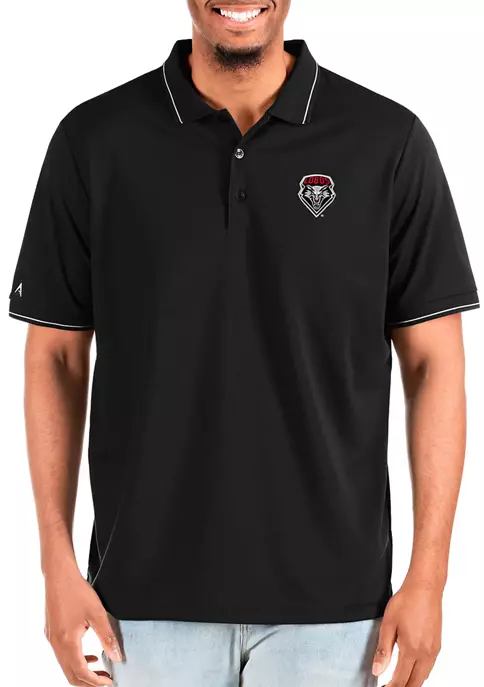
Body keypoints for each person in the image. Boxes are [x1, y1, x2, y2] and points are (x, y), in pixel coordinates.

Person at [8, 1, 480, 686]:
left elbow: (436, 361)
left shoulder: (386, 141)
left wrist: (430, 576)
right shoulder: (94, 140)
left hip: (337, 609)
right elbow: (54, 355)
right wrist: (55, 562)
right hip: (140, 603)